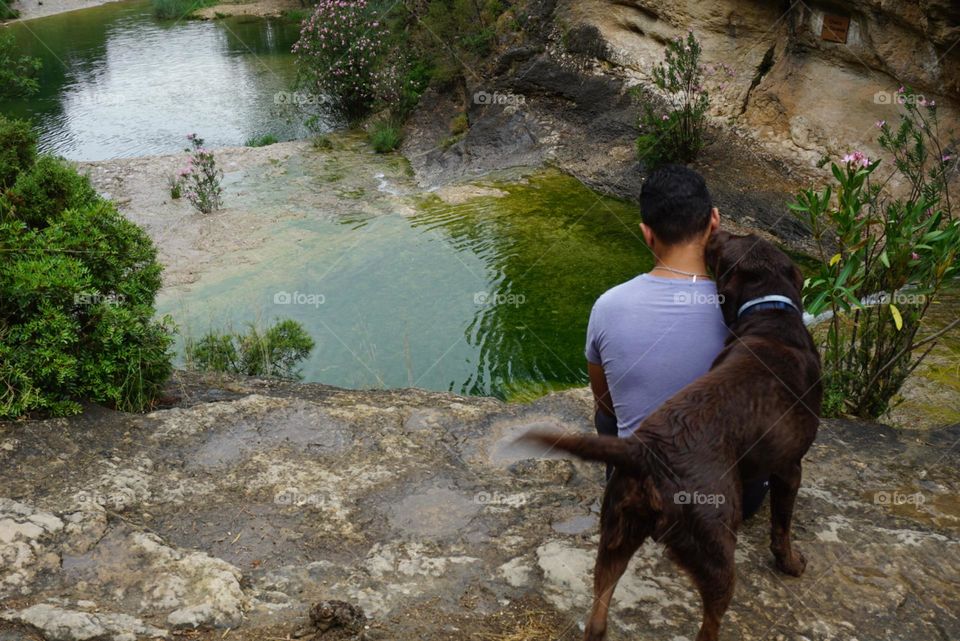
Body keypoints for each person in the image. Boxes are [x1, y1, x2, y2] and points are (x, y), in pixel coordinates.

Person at [585, 164, 769, 519]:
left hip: (646, 498)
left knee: (608, 419)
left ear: (646, 233)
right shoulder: (745, 310)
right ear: (714, 221)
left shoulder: (608, 306)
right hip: (732, 502)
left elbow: (606, 406)